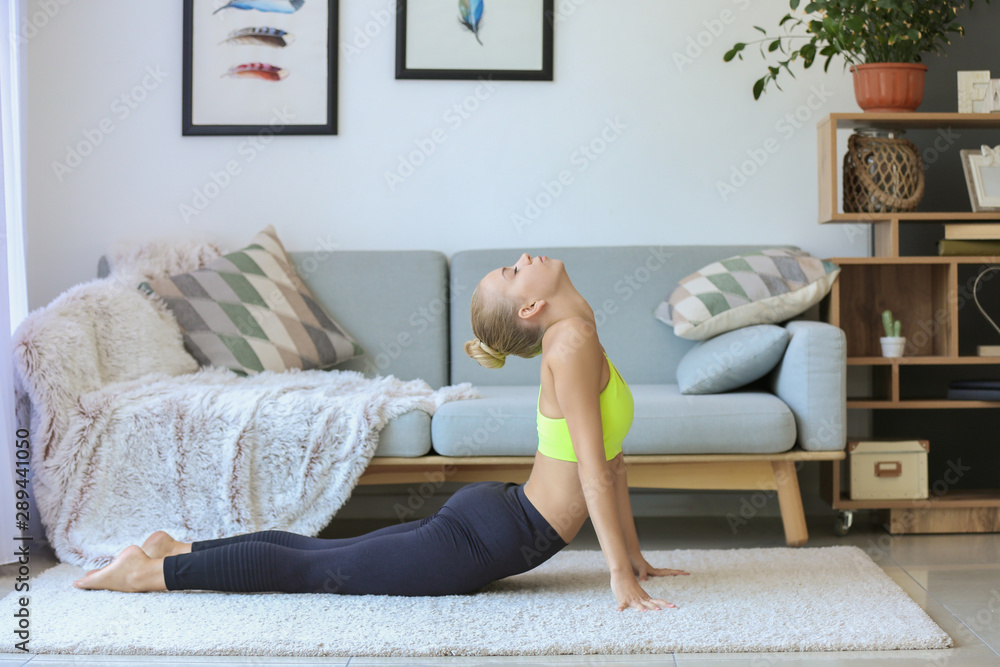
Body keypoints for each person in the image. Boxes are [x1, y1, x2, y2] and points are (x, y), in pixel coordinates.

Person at [73, 252, 688, 611]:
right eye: (511, 269)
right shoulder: (573, 342)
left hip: (501, 517)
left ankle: (171, 550)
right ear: (530, 309)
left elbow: (610, 462)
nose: (524, 259)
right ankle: (148, 573)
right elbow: (591, 468)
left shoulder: (577, 338)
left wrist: (635, 560)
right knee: (312, 570)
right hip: (490, 535)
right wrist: (618, 577)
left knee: (322, 556)